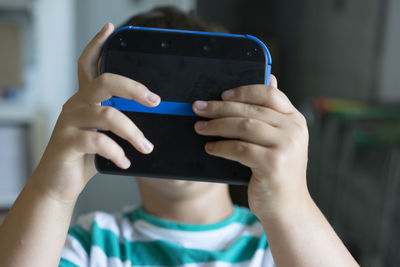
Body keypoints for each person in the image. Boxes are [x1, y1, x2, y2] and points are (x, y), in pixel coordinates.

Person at [0, 6, 359, 267]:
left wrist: (290, 203)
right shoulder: (91, 243)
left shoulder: (280, 244)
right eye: (151, 100)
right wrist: (52, 193)